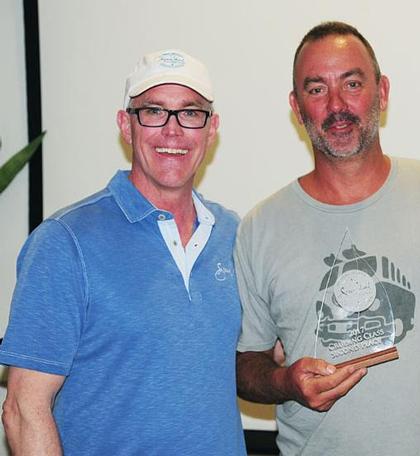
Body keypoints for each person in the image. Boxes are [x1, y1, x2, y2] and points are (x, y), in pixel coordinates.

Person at [235, 22, 420, 456]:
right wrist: (286, 382)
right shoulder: (259, 227)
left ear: (382, 92)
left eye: (352, 83)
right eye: (317, 90)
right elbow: (248, 365)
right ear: (297, 107)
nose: (337, 105)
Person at [0, 49, 246, 455]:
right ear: (125, 126)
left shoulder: (234, 234)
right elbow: (24, 409)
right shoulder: (64, 242)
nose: (173, 130)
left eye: (190, 113)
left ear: (211, 128)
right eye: (153, 111)